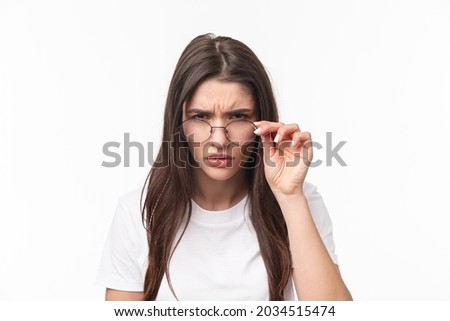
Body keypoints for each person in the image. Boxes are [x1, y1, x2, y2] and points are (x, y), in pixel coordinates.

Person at [96, 33, 353, 301]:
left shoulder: (301, 201)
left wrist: (290, 197)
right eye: (200, 116)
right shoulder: (139, 211)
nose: (219, 140)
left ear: (261, 121)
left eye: (238, 116)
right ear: (179, 123)